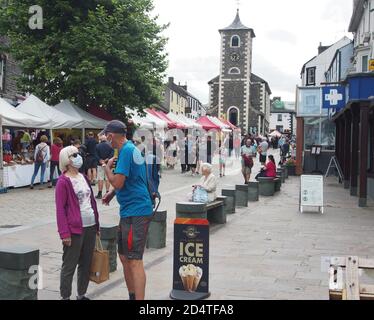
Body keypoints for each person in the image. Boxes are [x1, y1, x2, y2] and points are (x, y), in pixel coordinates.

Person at [102, 120, 153, 301]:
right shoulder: (130, 149)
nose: (105, 139)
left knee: (134, 260)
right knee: (124, 256)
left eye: (106, 136)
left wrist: (107, 169)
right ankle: (132, 296)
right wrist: (112, 194)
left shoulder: (125, 151)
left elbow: (118, 181)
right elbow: (131, 180)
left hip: (136, 211)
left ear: (110, 136)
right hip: (130, 210)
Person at [56, 146, 100, 300]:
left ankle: (81, 294)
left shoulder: (83, 176)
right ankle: (65, 296)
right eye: (74, 155)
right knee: (69, 265)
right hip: (74, 228)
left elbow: (92, 201)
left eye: (78, 154)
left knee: (86, 263)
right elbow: (60, 209)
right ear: (66, 160)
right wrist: (64, 233)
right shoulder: (63, 181)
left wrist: (97, 225)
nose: (78, 156)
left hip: (90, 225)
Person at [95, 134, 114, 199]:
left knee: (100, 178)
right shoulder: (110, 145)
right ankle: (107, 192)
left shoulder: (97, 146)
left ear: (100, 139)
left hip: (100, 164)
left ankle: (99, 193)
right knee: (107, 178)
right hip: (108, 164)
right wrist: (107, 159)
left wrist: (100, 160)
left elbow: (95, 154)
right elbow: (112, 154)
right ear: (106, 139)